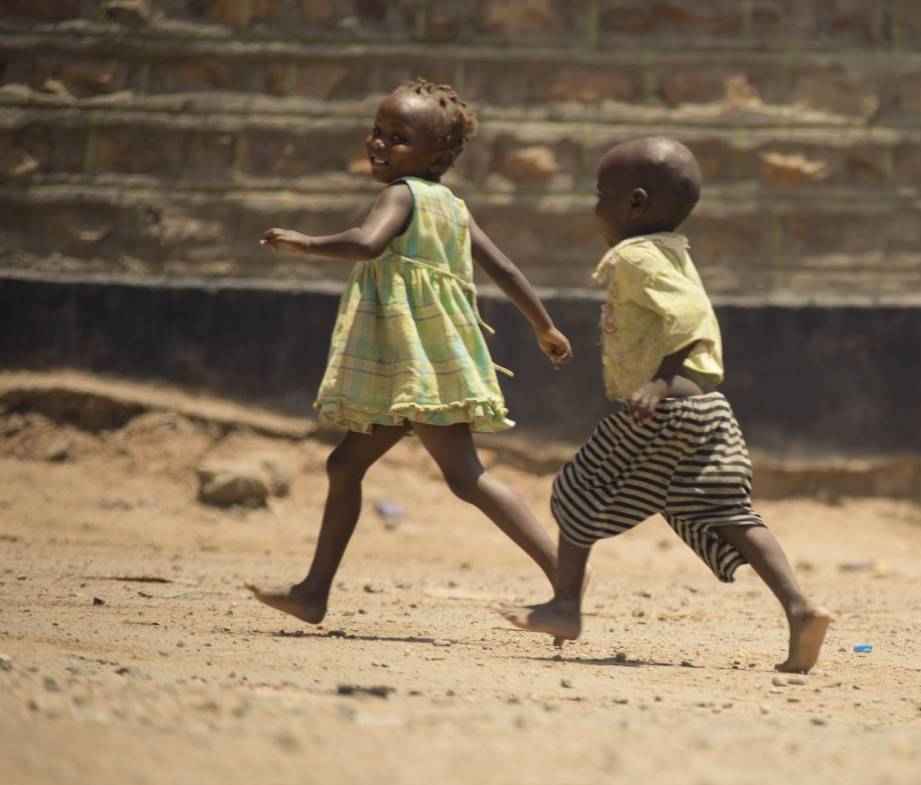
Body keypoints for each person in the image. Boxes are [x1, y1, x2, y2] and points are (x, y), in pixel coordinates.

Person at [246, 78, 573, 625]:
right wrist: (544, 327)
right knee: (345, 464)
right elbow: (507, 270)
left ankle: (567, 583)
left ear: (437, 155)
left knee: (466, 476)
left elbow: (369, 243)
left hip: (413, 366)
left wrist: (308, 243)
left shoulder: (401, 196)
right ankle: (312, 593)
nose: (379, 143)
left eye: (397, 137)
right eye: (377, 131)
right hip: (410, 362)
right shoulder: (453, 207)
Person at [502, 137, 832, 673]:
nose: (594, 206)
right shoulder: (673, 250)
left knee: (578, 490)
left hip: (665, 409)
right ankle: (799, 608)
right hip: (709, 410)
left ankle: (565, 606)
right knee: (728, 513)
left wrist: (658, 382)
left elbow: (691, 317)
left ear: (633, 203)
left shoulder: (635, 255)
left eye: (599, 193)